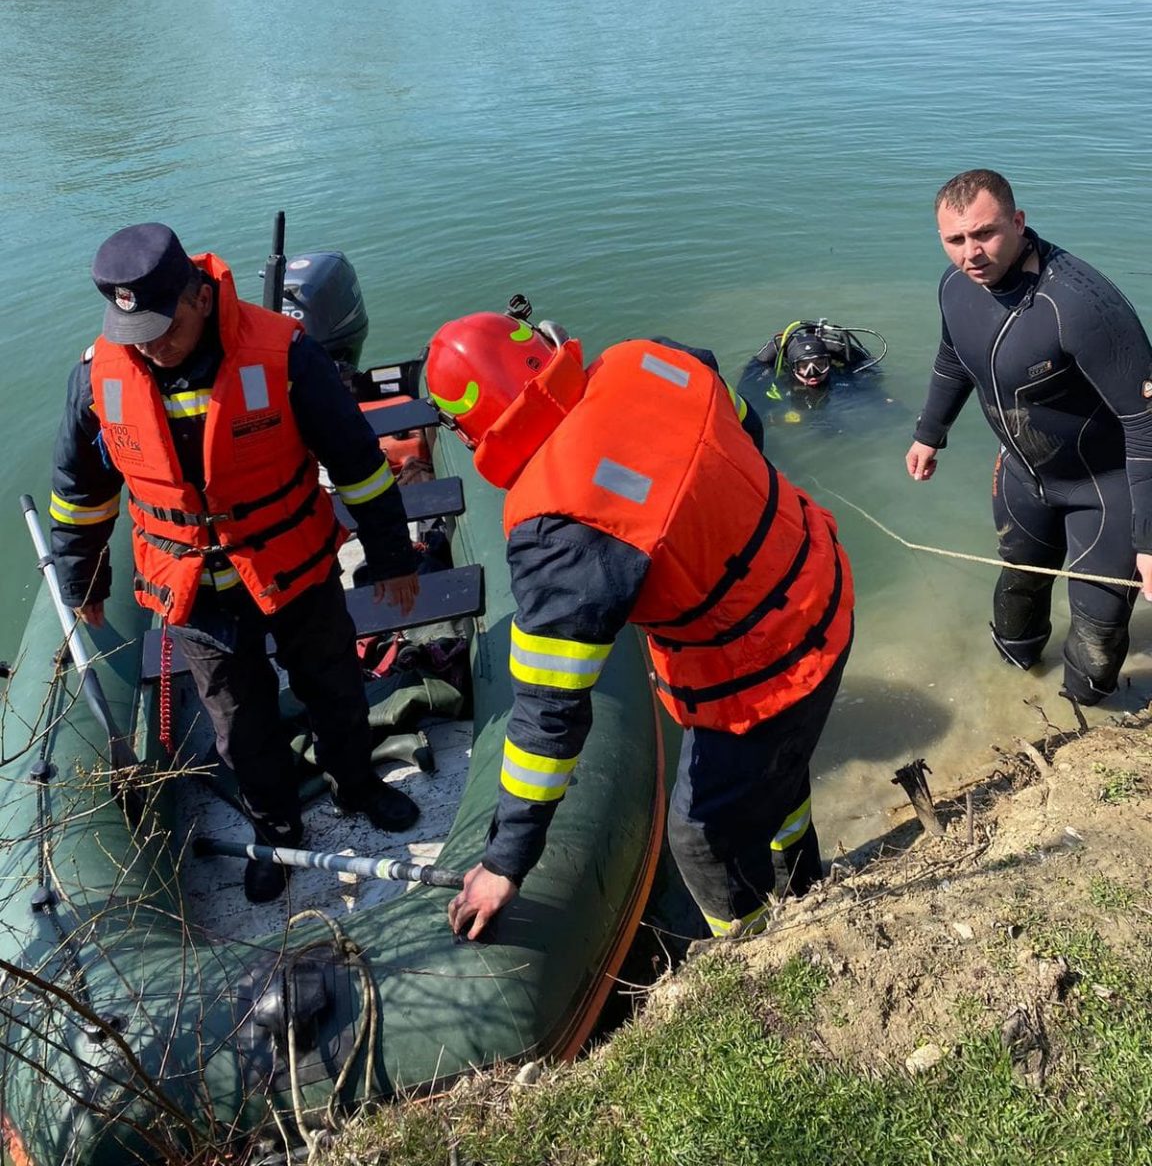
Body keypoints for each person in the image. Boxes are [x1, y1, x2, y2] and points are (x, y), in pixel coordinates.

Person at [423, 311, 854, 941]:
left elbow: (549, 715)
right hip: (826, 585)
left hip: (767, 669)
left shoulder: (553, 523)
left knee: (699, 838)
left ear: (470, 429)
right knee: (778, 779)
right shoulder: (647, 355)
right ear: (540, 352)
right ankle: (809, 886)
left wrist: (503, 861)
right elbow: (745, 427)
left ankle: (759, 958)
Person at [50, 223, 422, 902]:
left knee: (333, 685)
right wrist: (84, 577)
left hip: (295, 565)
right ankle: (276, 831)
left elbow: (359, 465)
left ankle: (357, 786)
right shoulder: (98, 378)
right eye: (136, 332)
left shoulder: (285, 354)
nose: (152, 347)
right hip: (195, 594)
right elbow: (81, 495)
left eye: (164, 327)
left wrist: (393, 556)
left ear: (199, 294)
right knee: (238, 725)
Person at [906, 170, 1152, 706]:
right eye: (956, 240)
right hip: (1022, 477)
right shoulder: (956, 288)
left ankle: (1083, 719)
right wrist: (930, 433)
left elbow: (1145, 422)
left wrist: (1150, 540)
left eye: (986, 233)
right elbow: (954, 359)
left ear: (1018, 222)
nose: (971, 252)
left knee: (1098, 627)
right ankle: (1009, 699)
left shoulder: (1081, 304)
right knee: (1017, 596)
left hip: (1102, 489)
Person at [738, 319, 889, 429]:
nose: (812, 373)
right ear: (792, 367)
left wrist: (865, 386)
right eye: (803, 366)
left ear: (829, 363)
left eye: (820, 365)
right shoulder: (775, 366)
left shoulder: (838, 354)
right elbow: (748, 387)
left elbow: (871, 368)